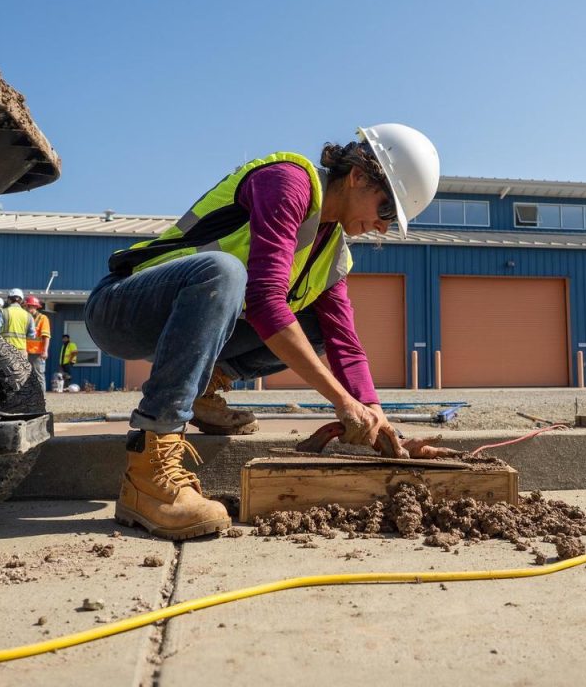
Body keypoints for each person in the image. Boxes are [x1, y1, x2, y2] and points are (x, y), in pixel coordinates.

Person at [84, 123, 440, 539]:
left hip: (192, 328)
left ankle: (203, 389)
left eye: (391, 222)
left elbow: (346, 342)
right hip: (123, 309)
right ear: (359, 175)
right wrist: (342, 402)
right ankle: (148, 469)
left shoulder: (331, 255)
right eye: (385, 210)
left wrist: (373, 410)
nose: (382, 228)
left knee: (315, 327)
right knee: (225, 272)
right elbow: (268, 303)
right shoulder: (288, 182)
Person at [0, 288, 36, 354]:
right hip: (21, 351)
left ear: (9, 299)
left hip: (5, 350)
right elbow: (32, 335)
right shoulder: (28, 315)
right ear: (21, 300)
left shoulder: (3, 312)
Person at [24, 295, 51, 386]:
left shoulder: (42, 318)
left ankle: (41, 399)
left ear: (36, 307)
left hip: (37, 353)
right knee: (25, 377)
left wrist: (45, 351)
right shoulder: (24, 318)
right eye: (27, 306)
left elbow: (46, 336)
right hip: (24, 352)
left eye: (31, 306)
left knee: (39, 376)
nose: (28, 308)